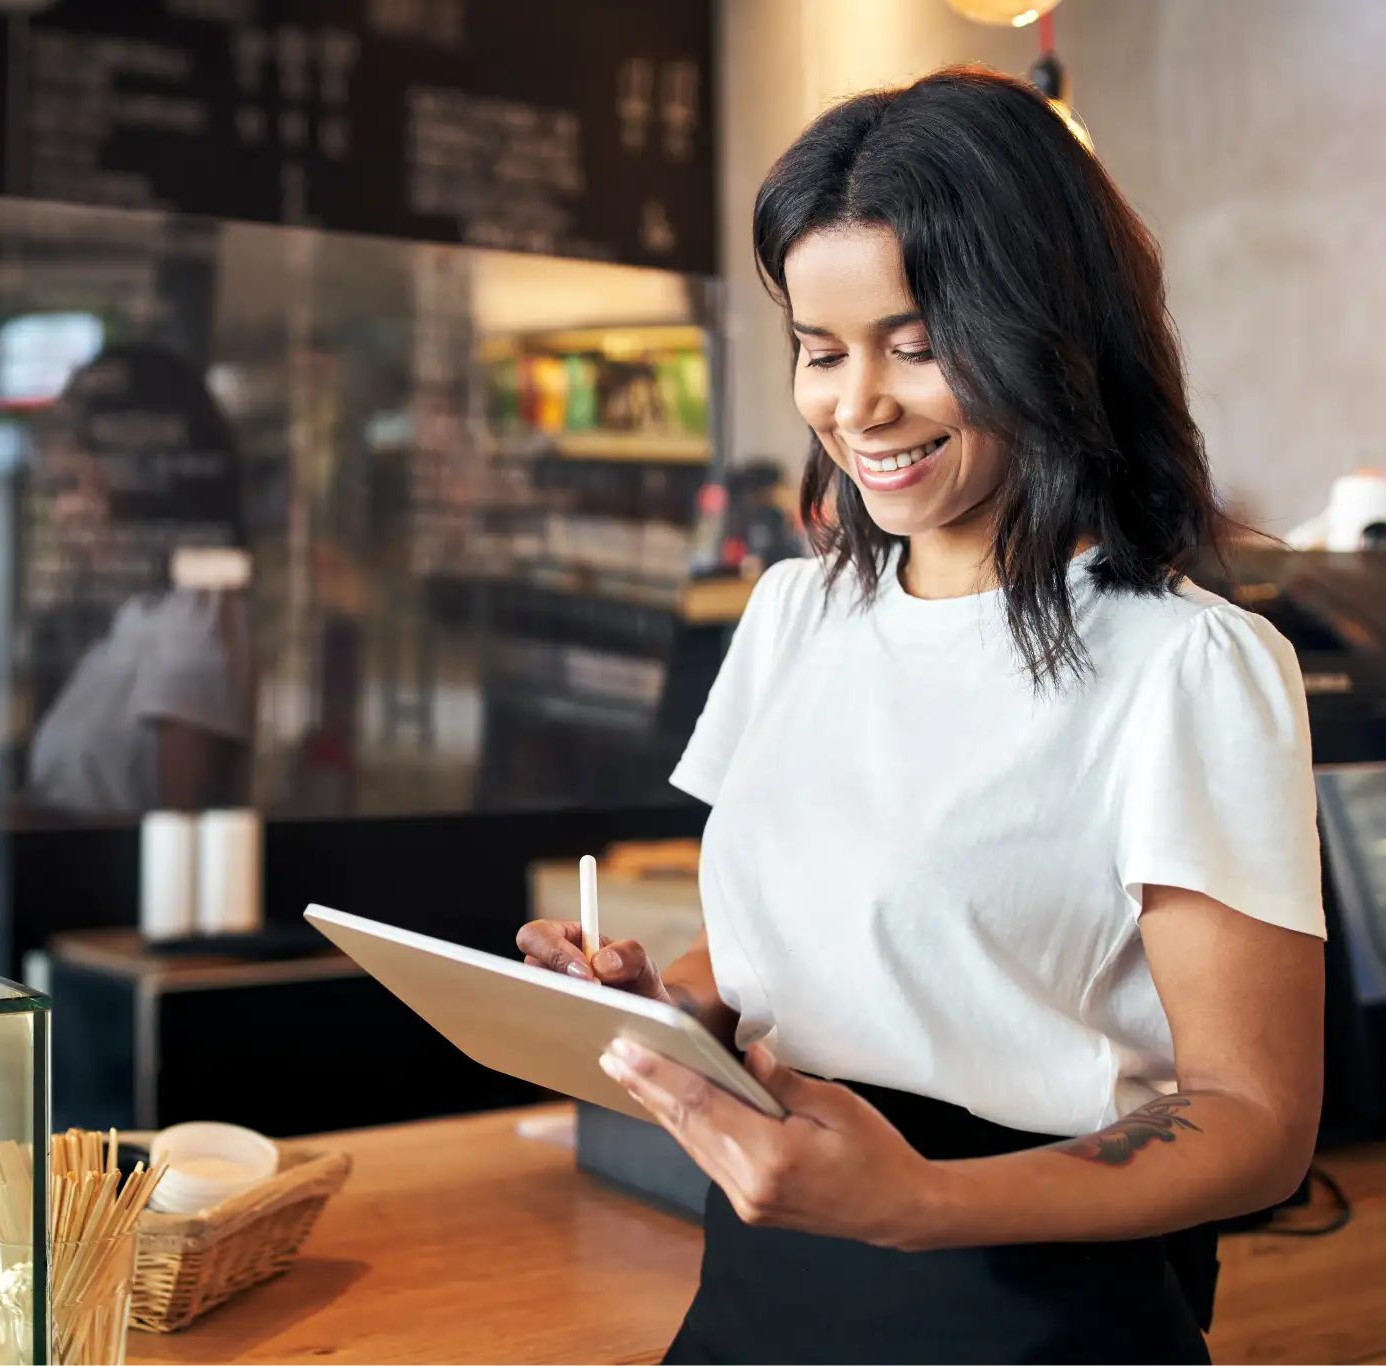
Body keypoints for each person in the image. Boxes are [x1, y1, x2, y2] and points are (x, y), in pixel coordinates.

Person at [519, 69, 1324, 1364]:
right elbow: (781, 953)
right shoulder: (794, 612)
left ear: (1046, 328)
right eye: (821, 352)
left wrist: (925, 1202)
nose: (859, 406)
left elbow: (1258, 1116)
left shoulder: (1188, 664)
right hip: (759, 1287)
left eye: (916, 342)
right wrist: (658, 1007)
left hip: (1029, 1309)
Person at [22, 343, 255, 816]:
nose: (63, 516)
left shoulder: (196, 618)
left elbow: (180, 837)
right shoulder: (140, 616)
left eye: (70, 486)